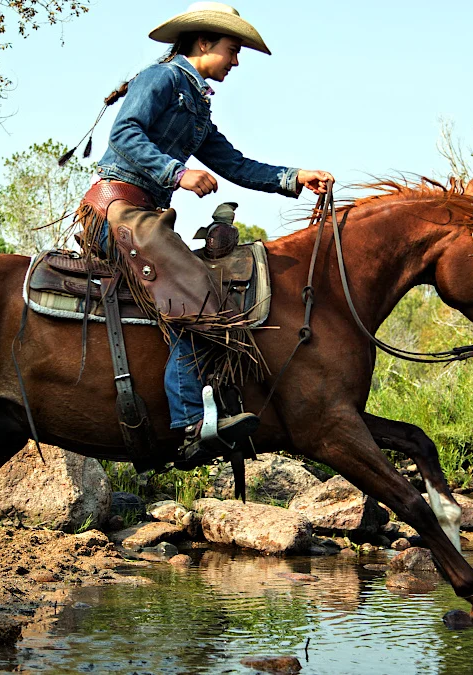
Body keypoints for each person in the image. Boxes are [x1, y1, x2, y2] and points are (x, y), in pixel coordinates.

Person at [92, 2, 333, 464]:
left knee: (210, 287)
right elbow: (124, 133)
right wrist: (176, 173)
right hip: (117, 212)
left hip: (146, 217)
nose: (236, 61)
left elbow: (234, 163)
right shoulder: (160, 79)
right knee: (198, 292)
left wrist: (294, 176)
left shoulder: (195, 105)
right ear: (203, 43)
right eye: (232, 50)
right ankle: (189, 421)